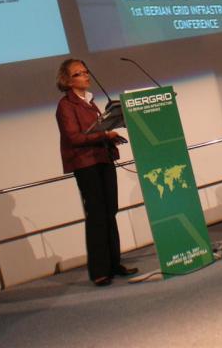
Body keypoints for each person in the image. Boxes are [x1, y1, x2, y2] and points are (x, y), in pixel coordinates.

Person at [56, 58, 137, 286]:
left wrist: (110, 137)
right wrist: (104, 135)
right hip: (85, 164)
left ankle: (114, 264)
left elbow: (98, 130)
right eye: (79, 73)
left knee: (110, 210)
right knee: (97, 215)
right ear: (67, 80)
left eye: (86, 71)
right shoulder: (66, 105)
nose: (86, 76)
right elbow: (73, 137)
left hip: (102, 158)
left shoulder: (90, 103)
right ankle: (100, 271)